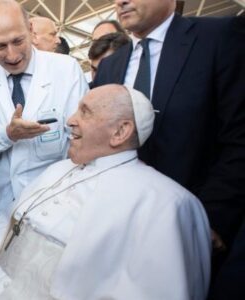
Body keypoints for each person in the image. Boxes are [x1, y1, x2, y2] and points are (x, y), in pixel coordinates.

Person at [0, 84, 211, 300]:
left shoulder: (163, 204)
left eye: (85, 112)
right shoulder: (58, 170)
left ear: (121, 131)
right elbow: (11, 231)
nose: (69, 121)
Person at [92, 0, 245, 292]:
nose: (120, 1)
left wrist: (212, 219)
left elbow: (239, 137)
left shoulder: (220, 38)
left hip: (193, 229)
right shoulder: (111, 66)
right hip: (119, 229)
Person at [0, 0, 88, 230]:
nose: (12, 55)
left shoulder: (66, 69)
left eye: (17, 41)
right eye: (0, 46)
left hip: (53, 199)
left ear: (31, 31)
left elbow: (82, 137)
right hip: (1, 202)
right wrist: (8, 133)